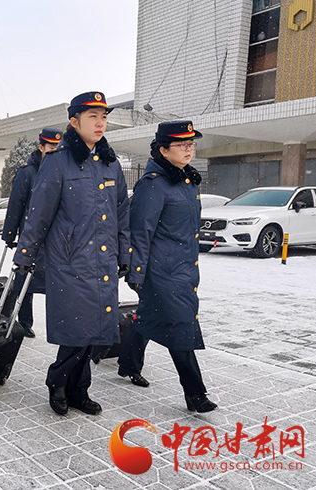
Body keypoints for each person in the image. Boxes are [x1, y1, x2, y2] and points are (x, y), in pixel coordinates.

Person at [13, 92, 130, 416]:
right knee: (79, 329)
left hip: (103, 261)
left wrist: (124, 252)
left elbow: (122, 212)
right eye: (93, 116)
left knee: (95, 331)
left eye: (103, 117)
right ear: (74, 121)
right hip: (69, 261)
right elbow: (39, 215)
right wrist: (25, 256)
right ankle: (59, 381)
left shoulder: (110, 163)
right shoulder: (57, 162)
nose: (100, 123)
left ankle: (79, 389)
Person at [121, 120, 217, 413]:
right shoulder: (153, 184)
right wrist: (136, 272)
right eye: (182, 144)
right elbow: (140, 231)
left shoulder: (185, 181)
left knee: (150, 317)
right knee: (180, 326)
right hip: (161, 272)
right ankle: (195, 394)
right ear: (163, 150)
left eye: (192, 144)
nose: (189, 149)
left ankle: (127, 362)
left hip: (184, 269)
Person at [2, 128, 62, 338]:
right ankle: (23, 321)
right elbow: (16, 204)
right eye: (50, 148)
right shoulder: (27, 172)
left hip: (56, 239)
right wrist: (9, 234)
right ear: (41, 147)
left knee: (56, 283)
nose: (55, 152)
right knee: (25, 282)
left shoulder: (63, 169)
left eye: (58, 148)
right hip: (32, 237)